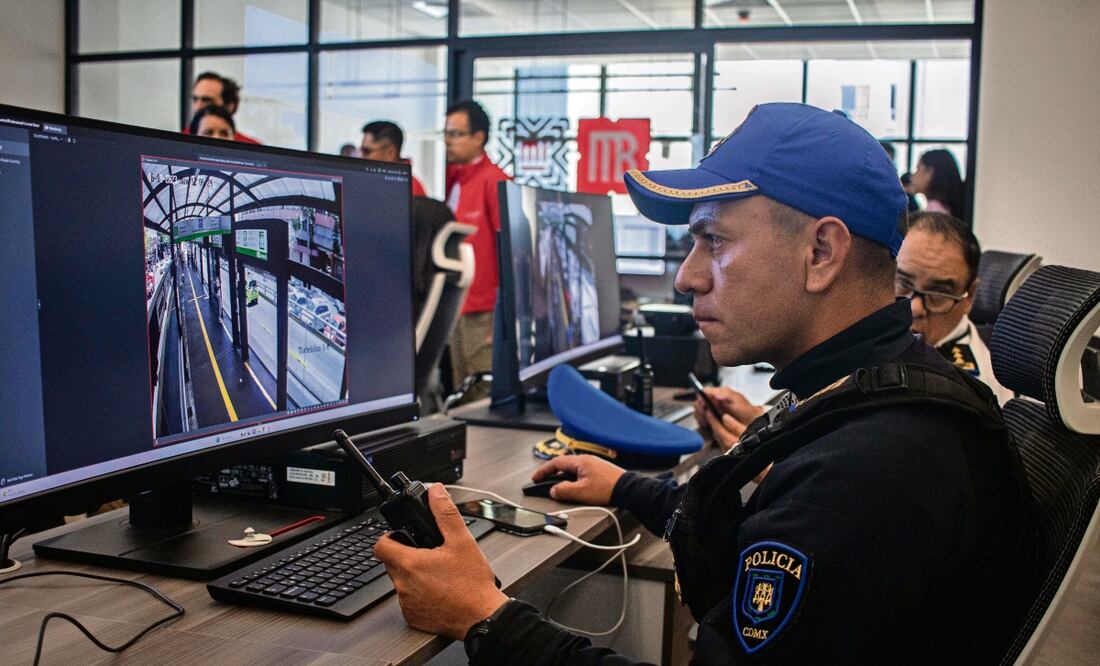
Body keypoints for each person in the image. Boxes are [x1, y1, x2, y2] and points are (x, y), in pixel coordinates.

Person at [374, 103, 1033, 664]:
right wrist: (629, 489)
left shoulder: (870, 472)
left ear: (821, 253)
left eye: (712, 240)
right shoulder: (873, 394)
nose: (688, 277)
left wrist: (487, 618)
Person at [897, 211, 1014, 404]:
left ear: (970, 296)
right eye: (902, 283)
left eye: (937, 295)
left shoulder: (963, 391)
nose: (914, 308)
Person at [442, 100, 509, 401]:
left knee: (481, 390)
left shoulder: (493, 181)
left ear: (478, 137)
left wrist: (502, 314)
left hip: (484, 311)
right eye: (445, 133)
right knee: (461, 389)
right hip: (458, 303)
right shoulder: (457, 180)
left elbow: (509, 250)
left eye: (455, 134)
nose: (447, 141)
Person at [185, 71, 262, 144]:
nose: (197, 107)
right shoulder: (182, 140)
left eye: (207, 101)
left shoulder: (251, 148)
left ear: (229, 106)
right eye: (195, 99)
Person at [360, 120, 427, 196]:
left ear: (390, 152)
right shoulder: (366, 181)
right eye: (361, 151)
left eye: (367, 151)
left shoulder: (411, 188)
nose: (361, 157)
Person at [911, 148, 966, 220]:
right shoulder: (945, 209)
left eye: (918, 169)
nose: (912, 177)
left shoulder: (934, 212)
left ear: (930, 173)